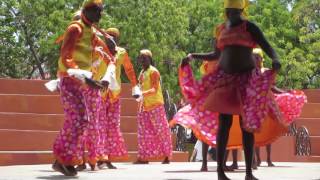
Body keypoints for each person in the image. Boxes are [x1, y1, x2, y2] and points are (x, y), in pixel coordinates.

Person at [177, 0, 285, 179]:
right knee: (224, 123)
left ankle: (249, 173)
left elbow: (267, 46)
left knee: (246, 126)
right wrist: (192, 56)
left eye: (234, 12)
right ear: (225, 12)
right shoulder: (221, 29)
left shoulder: (250, 27)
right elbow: (216, 55)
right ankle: (220, 172)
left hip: (247, 80)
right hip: (225, 80)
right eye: (228, 12)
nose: (231, 15)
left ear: (241, 11)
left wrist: (275, 58)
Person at [52, 0, 114, 176]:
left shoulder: (90, 32)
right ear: (86, 10)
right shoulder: (75, 28)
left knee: (81, 119)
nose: (100, 15)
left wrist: (108, 69)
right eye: (97, 11)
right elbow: (66, 58)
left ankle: (62, 159)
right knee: (79, 118)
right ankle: (61, 158)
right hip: (69, 80)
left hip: (79, 82)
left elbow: (107, 53)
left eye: (101, 11)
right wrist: (86, 79)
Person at [96, 28, 139, 169]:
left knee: (113, 126)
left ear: (118, 40)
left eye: (114, 37)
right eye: (109, 36)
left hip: (115, 93)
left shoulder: (121, 52)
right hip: (100, 92)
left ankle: (107, 158)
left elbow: (129, 69)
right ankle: (98, 156)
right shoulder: (98, 49)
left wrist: (135, 87)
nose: (111, 38)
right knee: (99, 125)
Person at [134, 49, 172, 164]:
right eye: (141, 58)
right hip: (143, 105)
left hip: (155, 105)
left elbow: (155, 89)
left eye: (144, 58)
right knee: (143, 132)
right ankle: (143, 157)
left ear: (150, 59)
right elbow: (140, 88)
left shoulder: (154, 71)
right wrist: (136, 93)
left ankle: (167, 156)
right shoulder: (141, 73)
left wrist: (142, 93)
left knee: (162, 130)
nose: (142, 60)